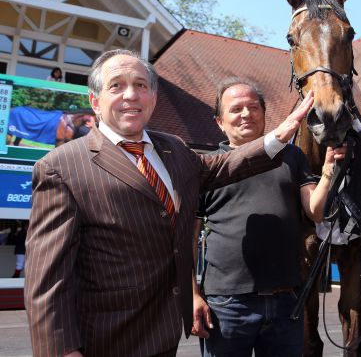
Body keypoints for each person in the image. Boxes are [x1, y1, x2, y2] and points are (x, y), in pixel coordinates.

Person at [24, 49, 312, 357]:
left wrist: (279, 136)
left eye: (141, 85)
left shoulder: (172, 148)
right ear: (95, 102)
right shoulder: (61, 167)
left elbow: (221, 168)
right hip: (104, 339)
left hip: (162, 334)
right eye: (116, 86)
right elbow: (47, 280)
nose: (131, 95)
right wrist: (62, 351)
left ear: (153, 98)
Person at [192, 78, 351, 356]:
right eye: (236, 108)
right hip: (227, 304)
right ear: (219, 121)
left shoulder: (291, 156)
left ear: (265, 114)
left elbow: (315, 211)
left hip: (286, 299)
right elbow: (187, 237)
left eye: (253, 107)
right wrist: (193, 294)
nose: (246, 114)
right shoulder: (209, 167)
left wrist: (328, 170)